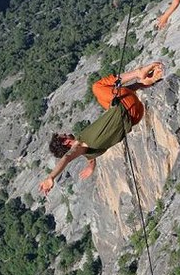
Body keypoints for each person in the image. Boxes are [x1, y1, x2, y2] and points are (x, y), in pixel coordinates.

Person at [39, 61, 165, 195]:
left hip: (136, 115)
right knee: (97, 87)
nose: (65, 133)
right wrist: (50, 177)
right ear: (65, 142)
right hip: (126, 108)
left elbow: (89, 159)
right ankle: (138, 73)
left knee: (107, 100)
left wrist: (91, 166)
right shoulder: (79, 142)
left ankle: (143, 83)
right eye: (63, 135)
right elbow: (67, 158)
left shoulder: (90, 152)